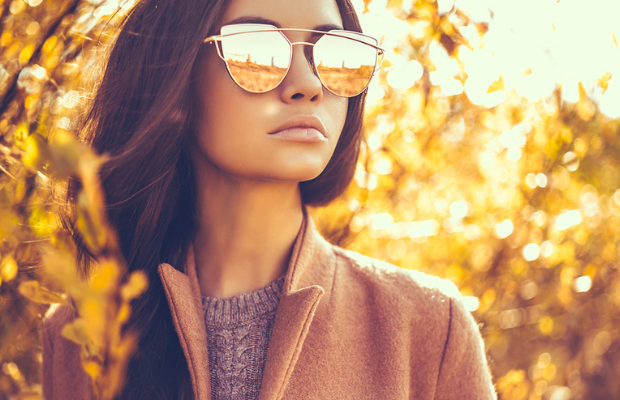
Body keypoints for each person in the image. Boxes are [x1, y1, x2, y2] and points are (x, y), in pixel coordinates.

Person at [42, 0, 498, 398]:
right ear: (177, 82)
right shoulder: (78, 336)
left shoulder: (428, 327)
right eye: (257, 50)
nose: (308, 84)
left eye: (336, 55)